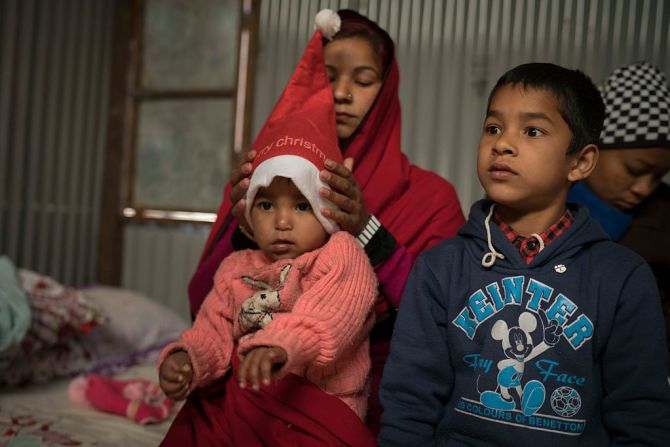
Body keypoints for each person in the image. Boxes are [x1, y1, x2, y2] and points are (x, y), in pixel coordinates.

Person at [187, 9, 465, 434]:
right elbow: (207, 301)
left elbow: (443, 317)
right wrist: (242, 222)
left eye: (363, 79)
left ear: (387, 90)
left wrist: (365, 227)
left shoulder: (430, 197)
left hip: (367, 399)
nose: (341, 93)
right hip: (255, 384)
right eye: (327, 77)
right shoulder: (270, 177)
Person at [379, 63, 670, 446]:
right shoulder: (441, 268)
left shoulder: (623, 277)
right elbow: (408, 404)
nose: (502, 143)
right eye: (493, 128)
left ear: (580, 162)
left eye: (532, 131)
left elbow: (641, 418)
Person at [159, 19, 379, 446]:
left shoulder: (341, 253)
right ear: (245, 215)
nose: (281, 221)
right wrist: (189, 358)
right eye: (265, 205)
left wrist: (277, 347)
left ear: (328, 211)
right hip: (246, 396)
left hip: (315, 408)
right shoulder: (236, 269)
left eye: (301, 206)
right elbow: (212, 329)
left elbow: (325, 323)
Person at [568, 62, 670, 371]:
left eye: (659, 176)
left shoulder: (663, 222)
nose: (643, 188)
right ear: (590, 152)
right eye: (635, 171)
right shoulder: (541, 201)